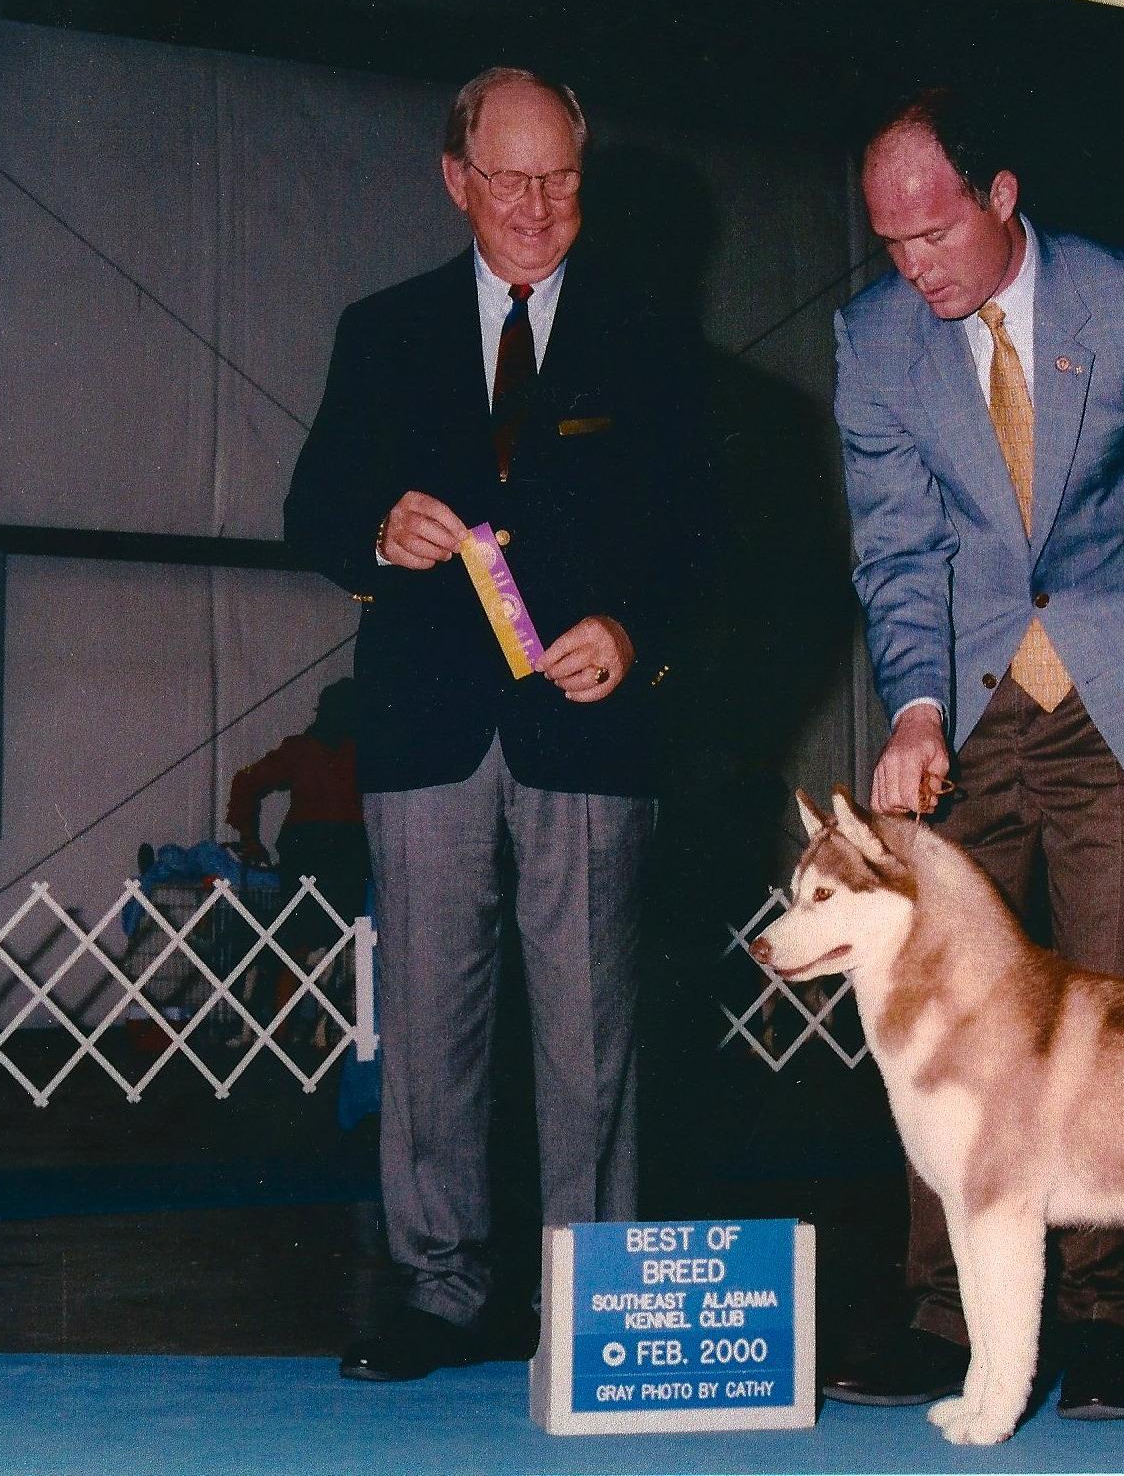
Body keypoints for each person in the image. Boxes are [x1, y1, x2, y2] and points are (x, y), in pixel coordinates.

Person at [825, 88, 1124, 1421]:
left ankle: (1106, 1317)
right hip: (964, 716)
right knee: (941, 1029)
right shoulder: (874, 342)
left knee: (1120, 1027)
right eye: (890, 242)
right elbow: (896, 547)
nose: (914, 266)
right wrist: (914, 707)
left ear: (1000, 195)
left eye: (934, 233)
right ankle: (941, 1313)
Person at [283, 67, 701, 1382]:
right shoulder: (379, 331)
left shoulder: (652, 337)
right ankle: (439, 1290)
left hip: (589, 727)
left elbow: (706, 536)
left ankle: (595, 1297)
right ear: (454, 179)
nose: (535, 204)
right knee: (427, 1027)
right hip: (425, 727)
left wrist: (635, 632)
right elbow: (312, 508)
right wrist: (373, 529)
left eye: (560, 177)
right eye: (509, 177)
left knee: (593, 1033)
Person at [223, 677, 369, 1038]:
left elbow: (245, 782)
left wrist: (249, 837)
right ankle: (294, 1030)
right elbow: (245, 782)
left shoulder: (317, 750)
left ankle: (294, 1029)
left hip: (332, 856)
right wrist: (248, 838)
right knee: (315, 943)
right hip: (327, 857)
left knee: (307, 943)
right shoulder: (320, 750)